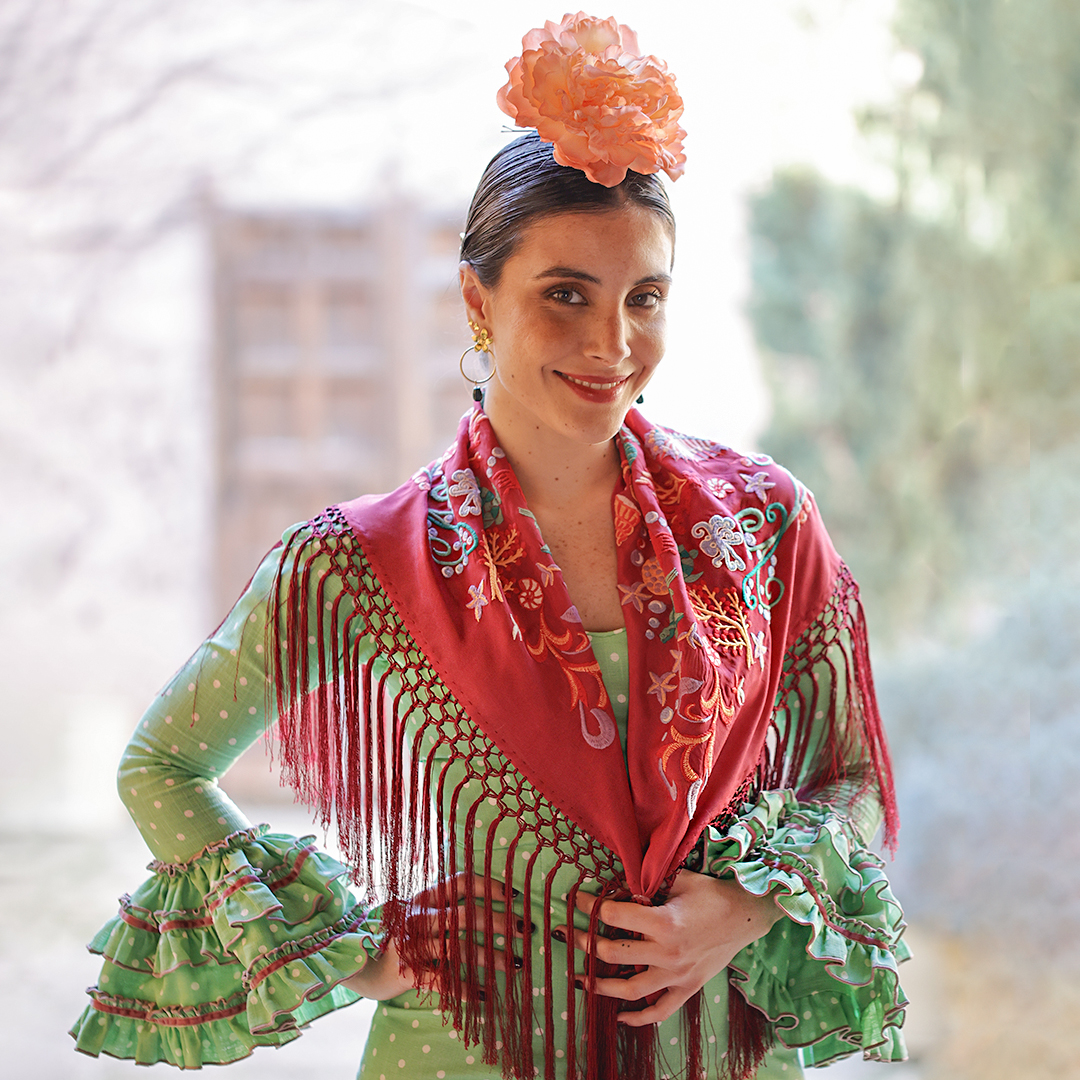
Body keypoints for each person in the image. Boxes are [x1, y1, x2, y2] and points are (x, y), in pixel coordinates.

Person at [71, 14, 909, 1080]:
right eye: (566, 295)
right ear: (479, 300)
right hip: (461, 1051)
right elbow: (160, 766)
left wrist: (740, 910)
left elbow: (853, 780)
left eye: (644, 298)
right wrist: (359, 954)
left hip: (719, 1048)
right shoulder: (360, 563)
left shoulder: (766, 522)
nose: (612, 343)